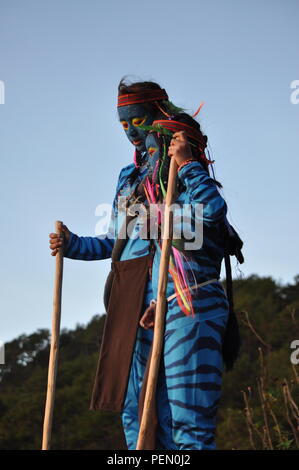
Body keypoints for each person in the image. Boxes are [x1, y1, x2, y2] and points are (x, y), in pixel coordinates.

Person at [48, 79, 186, 449]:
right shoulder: (127, 178)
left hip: (164, 285)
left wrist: (166, 289)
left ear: (158, 115)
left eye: (137, 122)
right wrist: (72, 244)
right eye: (123, 126)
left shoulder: (179, 164)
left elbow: (189, 235)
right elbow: (115, 241)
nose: (131, 133)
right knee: (128, 396)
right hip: (125, 288)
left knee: (169, 401)